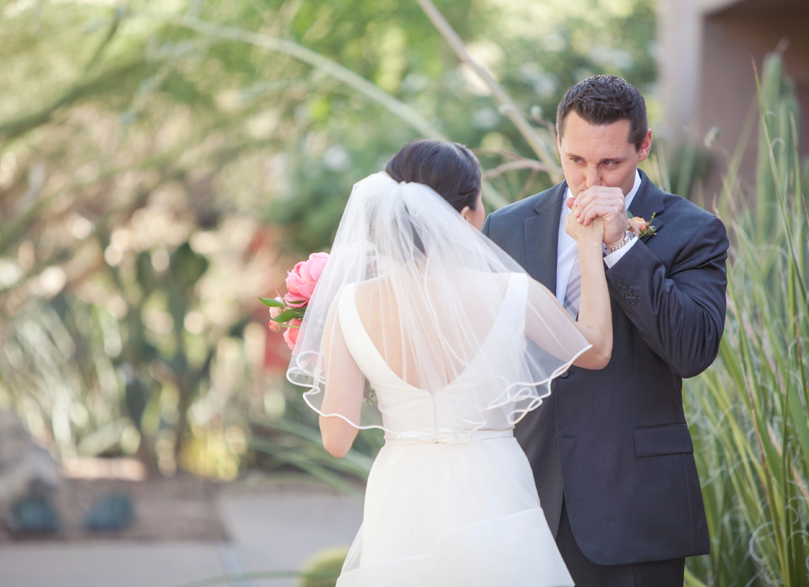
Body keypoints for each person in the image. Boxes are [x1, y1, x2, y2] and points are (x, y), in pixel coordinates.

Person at [287, 139, 614, 586]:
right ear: (462, 217)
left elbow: (337, 438)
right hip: (492, 484)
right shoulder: (512, 293)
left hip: (401, 494)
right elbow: (596, 350)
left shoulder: (349, 305)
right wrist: (590, 247)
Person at [482, 75, 729, 586]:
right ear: (558, 145)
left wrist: (621, 245)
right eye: (575, 160)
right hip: (527, 501)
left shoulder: (693, 230)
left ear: (643, 147)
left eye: (609, 164)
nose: (590, 180)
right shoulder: (507, 227)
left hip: (633, 506)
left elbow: (692, 350)